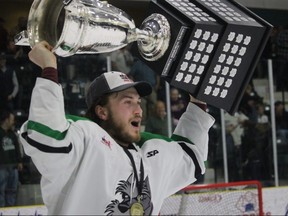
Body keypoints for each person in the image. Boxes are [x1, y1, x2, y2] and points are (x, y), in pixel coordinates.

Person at [19, 41, 214, 215]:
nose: (138, 110)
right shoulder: (86, 139)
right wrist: (49, 67)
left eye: (138, 102)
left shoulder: (151, 153)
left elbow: (191, 156)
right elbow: (45, 135)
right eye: (128, 102)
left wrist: (199, 99)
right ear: (102, 112)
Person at [0, 110, 23, 207]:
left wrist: (19, 161)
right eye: (11, 120)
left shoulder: (12, 134)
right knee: (1, 191)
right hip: (1, 167)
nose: (13, 122)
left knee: (12, 191)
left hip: (13, 167)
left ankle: (11, 211)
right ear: (6, 120)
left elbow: (17, 148)